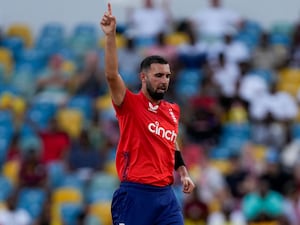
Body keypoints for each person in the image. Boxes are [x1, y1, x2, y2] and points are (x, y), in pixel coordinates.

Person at [100, 3, 195, 225]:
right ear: (143, 77)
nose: (164, 81)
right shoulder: (129, 104)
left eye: (167, 76)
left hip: (166, 196)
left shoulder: (172, 110)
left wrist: (183, 172)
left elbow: (172, 142)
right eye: (158, 75)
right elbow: (112, 75)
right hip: (135, 194)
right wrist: (111, 36)